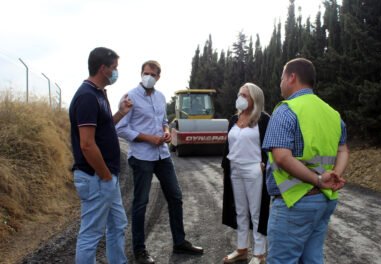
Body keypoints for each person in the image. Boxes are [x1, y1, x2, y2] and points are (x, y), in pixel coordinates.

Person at [116, 60, 204, 264]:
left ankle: (180, 242)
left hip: (163, 155)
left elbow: (164, 122)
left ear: (158, 77)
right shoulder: (129, 97)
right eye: (145, 73)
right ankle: (140, 251)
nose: (148, 77)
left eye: (152, 74)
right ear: (141, 73)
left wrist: (165, 133)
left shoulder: (161, 97)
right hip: (141, 156)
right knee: (140, 203)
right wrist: (148, 138)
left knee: (175, 197)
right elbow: (120, 128)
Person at [262, 58, 349, 264]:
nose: (280, 83)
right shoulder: (332, 113)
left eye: (282, 77)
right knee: (312, 259)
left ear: (292, 77)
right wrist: (334, 175)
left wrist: (318, 180)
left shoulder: (286, 110)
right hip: (324, 201)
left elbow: (282, 157)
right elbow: (343, 149)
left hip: (295, 201)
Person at [69, 47, 133, 264]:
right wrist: (105, 176)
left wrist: (121, 113)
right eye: (114, 67)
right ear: (103, 68)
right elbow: (87, 144)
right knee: (91, 234)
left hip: (106, 177)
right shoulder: (87, 96)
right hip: (97, 177)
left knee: (117, 224)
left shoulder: (98, 94)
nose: (117, 72)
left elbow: (104, 130)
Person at [221, 83, 271, 264]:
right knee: (240, 211)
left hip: (254, 169)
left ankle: (259, 254)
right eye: (239, 94)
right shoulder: (234, 119)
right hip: (235, 169)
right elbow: (229, 145)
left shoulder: (263, 119)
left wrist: (266, 164)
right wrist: (226, 166)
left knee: (257, 212)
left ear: (254, 99)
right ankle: (242, 249)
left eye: (245, 95)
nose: (240, 98)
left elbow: (270, 145)